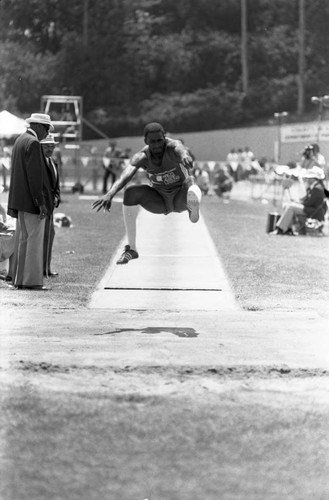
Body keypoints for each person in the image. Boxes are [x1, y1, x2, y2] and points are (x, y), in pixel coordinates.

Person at [92, 122, 201, 264]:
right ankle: (131, 249)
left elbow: (181, 149)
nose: (156, 145)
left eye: (159, 141)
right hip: (160, 200)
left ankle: (192, 210)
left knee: (190, 182)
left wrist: (185, 156)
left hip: (180, 196)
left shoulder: (173, 146)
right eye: (152, 142)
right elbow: (126, 175)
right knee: (130, 192)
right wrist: (110, 193)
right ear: (146, 141)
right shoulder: (142, 156)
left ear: (165, 138)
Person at [7, 113, 55, 290]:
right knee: (34, 241)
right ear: (40, 127)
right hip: (31, 202)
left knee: (23, 240)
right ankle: (32, 281)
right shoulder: (33, 143)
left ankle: (20, 280)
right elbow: (35, 177)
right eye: (47, 129)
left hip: (20, 201)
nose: (47, 133)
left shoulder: (20, 140)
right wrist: (41, 202)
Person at [270, 166, 328, 235]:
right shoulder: (315, 187)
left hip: (313, 212)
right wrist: (296, 202)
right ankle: (288, 229)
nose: (307, 179)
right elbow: (306, 200)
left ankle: (281, 229)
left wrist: (298, 203)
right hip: (310, 209)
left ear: (313, 179)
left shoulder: (317, 189)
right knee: (288, 205)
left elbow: (308, 203)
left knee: (291, 207)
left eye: (308, 178)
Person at [40, 133, 61, 278]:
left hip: (51, 207)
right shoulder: (38, 163)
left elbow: (56, 185)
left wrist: (57, 197)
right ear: (41, 147)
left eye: (52, 146)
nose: (50, 149)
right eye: (47, 146)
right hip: (41, 207)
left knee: (50, 236)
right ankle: (41, 268)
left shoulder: (53, 162)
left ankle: (47, 267)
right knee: (43, 237)